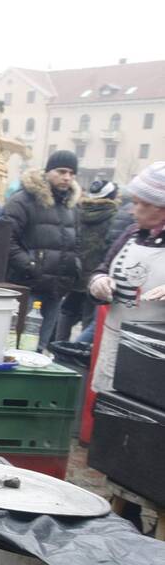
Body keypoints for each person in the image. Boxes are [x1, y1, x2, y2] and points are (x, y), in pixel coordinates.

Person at [87, 162, 165, 392]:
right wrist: (98, 283)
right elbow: (102, 269)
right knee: (108, 408)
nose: (132, 210)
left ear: (161, 208)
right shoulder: (131, 233)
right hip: (114, 345)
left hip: (154, 356)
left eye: (140, 204)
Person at [2, 150, 82, 351]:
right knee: (16, 347)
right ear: (48, 171)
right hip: (28, 285)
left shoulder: (70, 206)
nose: (67, 178)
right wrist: (29, 265)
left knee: (39, 348)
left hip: (56, 288)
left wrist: (75, 267)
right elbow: (5, 239)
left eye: (72, 173)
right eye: (61, 171)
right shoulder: (22, 200)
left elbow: (75, 241)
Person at [56, 180, 121, 342]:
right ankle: (81, 353)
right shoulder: (114, 215)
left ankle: (58, 347)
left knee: (67, 311)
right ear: (112, 196)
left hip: (75, 271)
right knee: (89, 316)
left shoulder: (77, 210)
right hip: (96, 276)